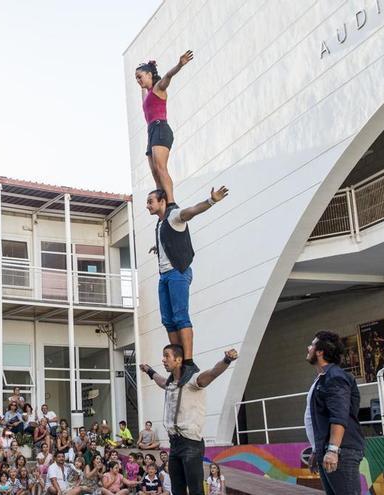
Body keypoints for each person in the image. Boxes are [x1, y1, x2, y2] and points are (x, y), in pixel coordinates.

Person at [146, 186, 228, 384]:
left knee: (180, 316)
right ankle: (177, 361)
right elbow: (170, 240)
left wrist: (211, 200)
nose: (147, 205)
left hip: (177, 273)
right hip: (164, 275)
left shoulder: (174, 215)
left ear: (162, 201)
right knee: (167, 319)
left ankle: (188, 361)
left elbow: (191, 211)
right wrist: (159, 247)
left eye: (151, 201)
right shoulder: (160, 224)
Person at [139, 344, 238, 495]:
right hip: (174, 444)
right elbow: (159, 380)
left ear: (178, 360)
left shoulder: (193, 381)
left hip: (190, 443)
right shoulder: (171, 384)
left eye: (167, 356)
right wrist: (148, 370)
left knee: (195, 490)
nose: (163, 359)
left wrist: (227, 360)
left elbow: (212, 373)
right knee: (177, 489)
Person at [305, 331, 365, 495]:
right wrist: (317, 450)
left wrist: (332, 450)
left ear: (320, 351)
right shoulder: (323, 378)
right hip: (329, 449)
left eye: (312, 344)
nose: (308, 348)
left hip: (341, 452)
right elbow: (320, 419)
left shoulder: (335, 377)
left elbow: (339, 416)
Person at [133, 52, 192, 206]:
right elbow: (143, 93)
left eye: (140, 76)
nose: (138, 80)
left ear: (149, 74)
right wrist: (143, 74)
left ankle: (171, 202)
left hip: (161, 128)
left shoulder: (158, 88)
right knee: (154, 172)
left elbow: (167, 77)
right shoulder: (147, 95)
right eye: (136, 78)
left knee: (161, 167)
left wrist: (179, 64)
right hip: (151, 132)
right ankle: (162, 202)